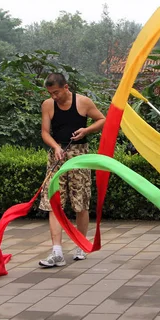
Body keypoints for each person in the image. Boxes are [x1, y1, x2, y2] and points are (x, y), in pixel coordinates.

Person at [38, 73, 105, 268]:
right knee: (54, 202)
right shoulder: (47, 105)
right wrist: (56, 147)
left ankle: (80, 245)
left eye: (56, 92)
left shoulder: (83, 102)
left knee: (81, 203)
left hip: (79, 156)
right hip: (57, 156)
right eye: (50, 93)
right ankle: (56, 251)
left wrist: (86, 130)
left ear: (66, 87)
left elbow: (102, 120)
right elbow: (44, 131)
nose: (54, 97)